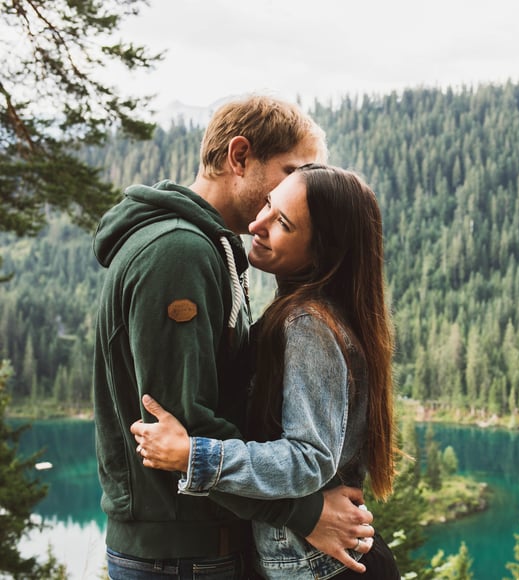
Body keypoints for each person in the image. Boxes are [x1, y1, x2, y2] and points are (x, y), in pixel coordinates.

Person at [93, 97, 374, 580]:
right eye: (291, 171)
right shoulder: (179, 252)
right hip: (181, 553)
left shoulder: (211, 246)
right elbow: (176, 427)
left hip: (193, 546)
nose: (299, 188)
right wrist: (303, 512)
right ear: (239, 157)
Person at [130, 164, 401, 579]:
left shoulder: (309, 325)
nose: (257, 223)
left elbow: (310, 458)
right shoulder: (308, 314)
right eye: (270, 204)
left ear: (321, 252)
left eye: (283, 224)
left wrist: (195, 456)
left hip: (322, 570)